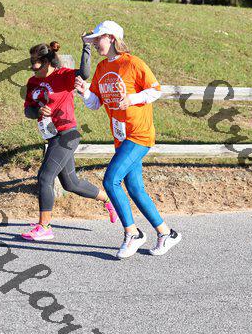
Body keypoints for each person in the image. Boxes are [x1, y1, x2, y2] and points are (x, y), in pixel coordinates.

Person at [75, 20, 182, 258]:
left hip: (139, 133)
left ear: (112, 38)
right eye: (93, 40)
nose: (95, 43)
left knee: (111, 180)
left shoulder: (133, 63)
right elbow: (96, 103)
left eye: (99, 38)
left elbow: (155, 90)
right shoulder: (102, 67)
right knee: (134, 188)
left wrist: (131, 100)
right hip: (121, 137)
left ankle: (132, 233)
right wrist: (85, 92)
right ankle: (166, 233)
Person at [22, 38, 117, 241]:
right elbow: (28, 110)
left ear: (46, 62)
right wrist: (38, 110)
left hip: (67, 135)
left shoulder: (63, 76)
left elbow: (84, 73)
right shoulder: (32, 82)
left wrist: (86, 46)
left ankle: (45, 227)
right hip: (52, 136)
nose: (32, 67)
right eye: (30, 62)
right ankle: (108, 200)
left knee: (45, 177)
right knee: (71, 183)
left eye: (35, 62)